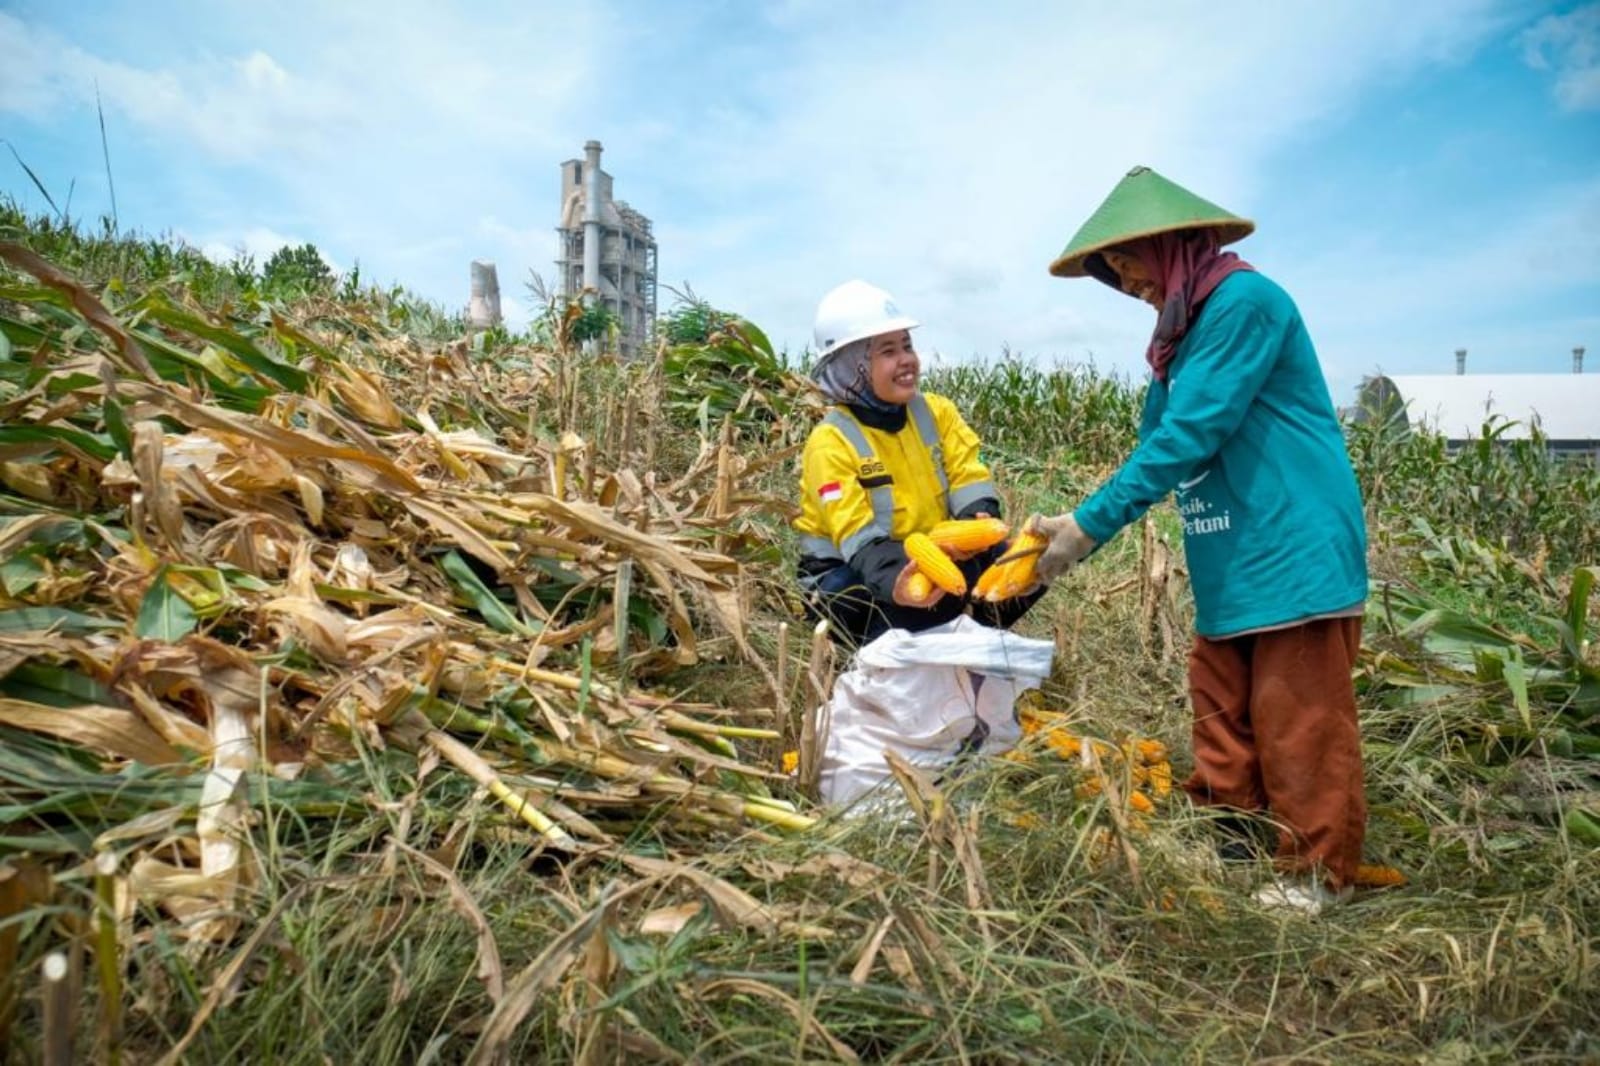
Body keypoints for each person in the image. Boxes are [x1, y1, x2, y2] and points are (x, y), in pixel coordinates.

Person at [1030, 167, 1369, 914]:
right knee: (1221, 702)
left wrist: (1091, 525)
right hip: (1230, 548)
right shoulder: (1178, 341)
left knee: (1297, 717)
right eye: (1113, 273)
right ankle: (1232, 838)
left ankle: (1316, 872)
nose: (1128, 284)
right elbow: (1155, 445)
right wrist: (1073, 526)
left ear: (1174, 244)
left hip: (1290, 542)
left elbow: (1190, 435)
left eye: (1129, 264)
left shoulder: (1244, 303)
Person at [795, 280, 1045, 648]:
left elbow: (969, 477)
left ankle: (969, 635)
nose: (907, 360)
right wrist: (900, 581)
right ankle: (904, 638)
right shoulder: (830, 441)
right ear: (852, 366)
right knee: (871, 600)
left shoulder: (937, 412)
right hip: (854, 571)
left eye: (907, 346)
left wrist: (977, 520)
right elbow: (858, 538)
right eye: (888, 351)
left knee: (1024, 561)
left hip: (933, 553)